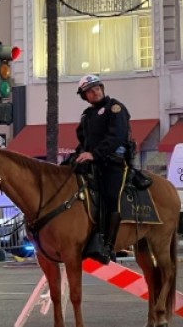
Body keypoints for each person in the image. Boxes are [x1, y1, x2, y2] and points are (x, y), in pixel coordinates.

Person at [73, 74, 136, 264]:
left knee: (110, 198)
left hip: (113, 162)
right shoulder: (87, 115)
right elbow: (83, 142)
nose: (95, 91)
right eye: (90, 91)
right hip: (94, 163)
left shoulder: (115, 108)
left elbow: (116, 136)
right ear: (85, 96)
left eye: (97, 87)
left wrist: (95, 154)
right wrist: (77, 156)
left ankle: (108, 246)